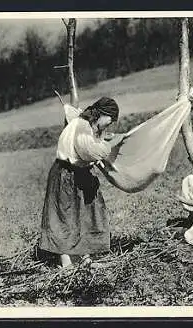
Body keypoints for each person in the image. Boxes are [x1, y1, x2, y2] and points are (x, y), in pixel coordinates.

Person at [38, 96, 126, 268]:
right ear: (101, 114)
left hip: (80, 173)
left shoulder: (86, 125)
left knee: (86, 214)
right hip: (65, 174)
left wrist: (106, 137)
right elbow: (92, 151)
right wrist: (112, 144)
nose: (107, 126)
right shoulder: (81, 127)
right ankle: (66, 262)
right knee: (65, 216)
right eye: (108, 122)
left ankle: (85, 259)